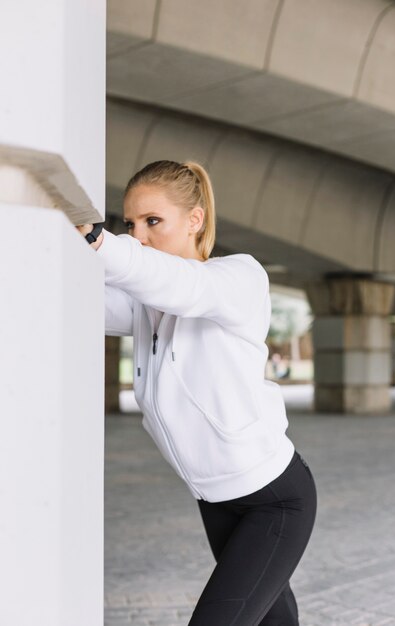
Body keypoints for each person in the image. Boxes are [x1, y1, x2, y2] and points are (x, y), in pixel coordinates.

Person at [76, 160, 317, 625]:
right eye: (130, 224)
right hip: (216, 501)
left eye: (152, 222)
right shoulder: (148, 307)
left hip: (274, 499)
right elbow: (84, 295)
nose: (139, 236)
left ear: (195, 220)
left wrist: (100, 239)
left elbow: (180, 284)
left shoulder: (238, 279)